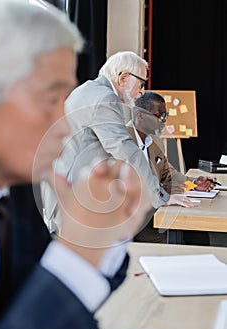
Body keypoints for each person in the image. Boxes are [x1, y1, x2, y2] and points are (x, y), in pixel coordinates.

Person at [0, 2, 150, 329]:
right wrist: (78, 251)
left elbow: (36, 307)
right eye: (50, 99)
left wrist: (100, 232)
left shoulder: (14, 198)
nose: (63, 127)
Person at [42, 51, 193, 232]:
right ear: (123, 77)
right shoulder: (105, 98)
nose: (142, 91)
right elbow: (125, 150)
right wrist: (160, 196)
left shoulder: (88, 90)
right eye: (141, 83)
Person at [129, 91, 214, 244]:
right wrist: (162, 193)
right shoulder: (122, 141)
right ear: (139, 115)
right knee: (170, 239)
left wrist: (194, 183)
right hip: (134, 218)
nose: (163, 122)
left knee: (197, 233)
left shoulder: (154, 139)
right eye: (158, 116)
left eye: (165, 116)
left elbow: (168, 173)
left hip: (156, 208)